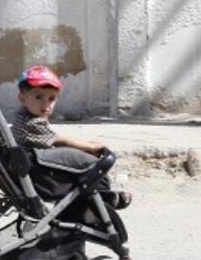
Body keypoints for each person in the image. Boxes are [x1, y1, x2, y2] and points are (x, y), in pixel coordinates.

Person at [11, 65, 131, 209]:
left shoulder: (23, 115)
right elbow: (60, 140)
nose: (45, 104)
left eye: (51, 99)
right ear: (22, 97)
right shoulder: (32, 123)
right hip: (39, 171)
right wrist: (91, 146)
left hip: (32, 164)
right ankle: (104, 197)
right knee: (89, 163)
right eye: (38, 97)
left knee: (79, 156)